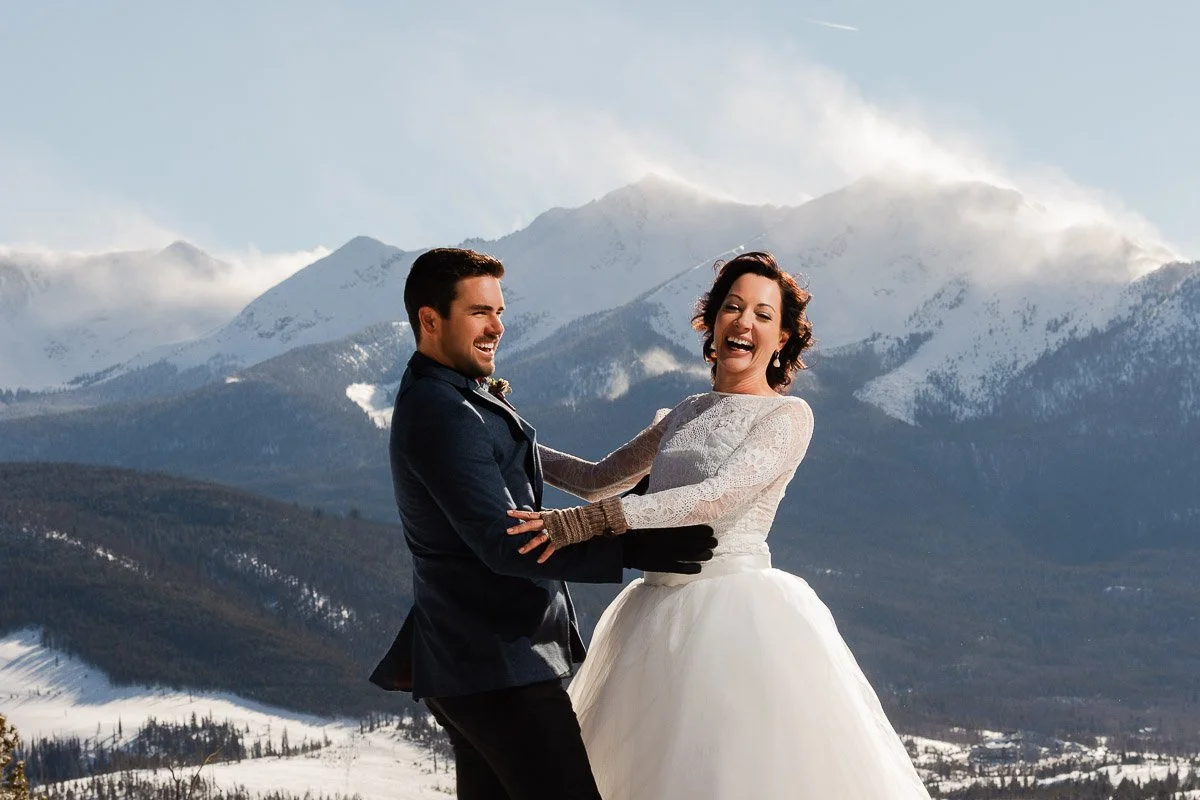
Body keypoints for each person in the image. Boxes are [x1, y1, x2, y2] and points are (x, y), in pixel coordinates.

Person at [507, 251, 932, 799]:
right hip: (656, 611)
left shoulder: (787, 416)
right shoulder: (687, 409)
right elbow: (598, 477)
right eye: (733, 307)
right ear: (712, 322)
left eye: (762, 314)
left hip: (735, 616)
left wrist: (587, 524)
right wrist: (509, 442)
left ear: (781, 340)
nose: (745, 322)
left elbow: (714, 498)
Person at [369, 247, 716, 800]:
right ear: (429, 321)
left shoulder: (455, 398)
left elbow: (537, 475)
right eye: (480, 312)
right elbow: (505, 544)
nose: (497, 326)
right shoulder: (441, 411)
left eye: (499, 311)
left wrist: (641, 499)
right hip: (496, 666)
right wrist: (630, 547)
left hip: (475, 662)